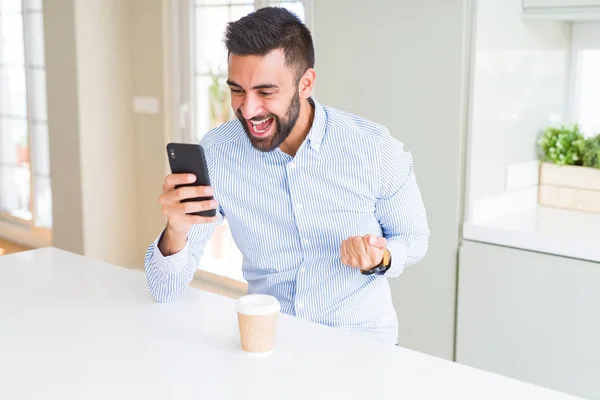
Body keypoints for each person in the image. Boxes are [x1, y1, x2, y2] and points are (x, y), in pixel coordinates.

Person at [144, 7, 429, 345]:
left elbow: (414, 238)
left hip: (361, 345)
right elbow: (164, 288)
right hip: (270, 343)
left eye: (265, 92)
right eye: (237, 90)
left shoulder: (374, 149)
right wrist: (176, 230)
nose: (248, 110)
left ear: (305, 83)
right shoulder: (217, 154)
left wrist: (380, 257)